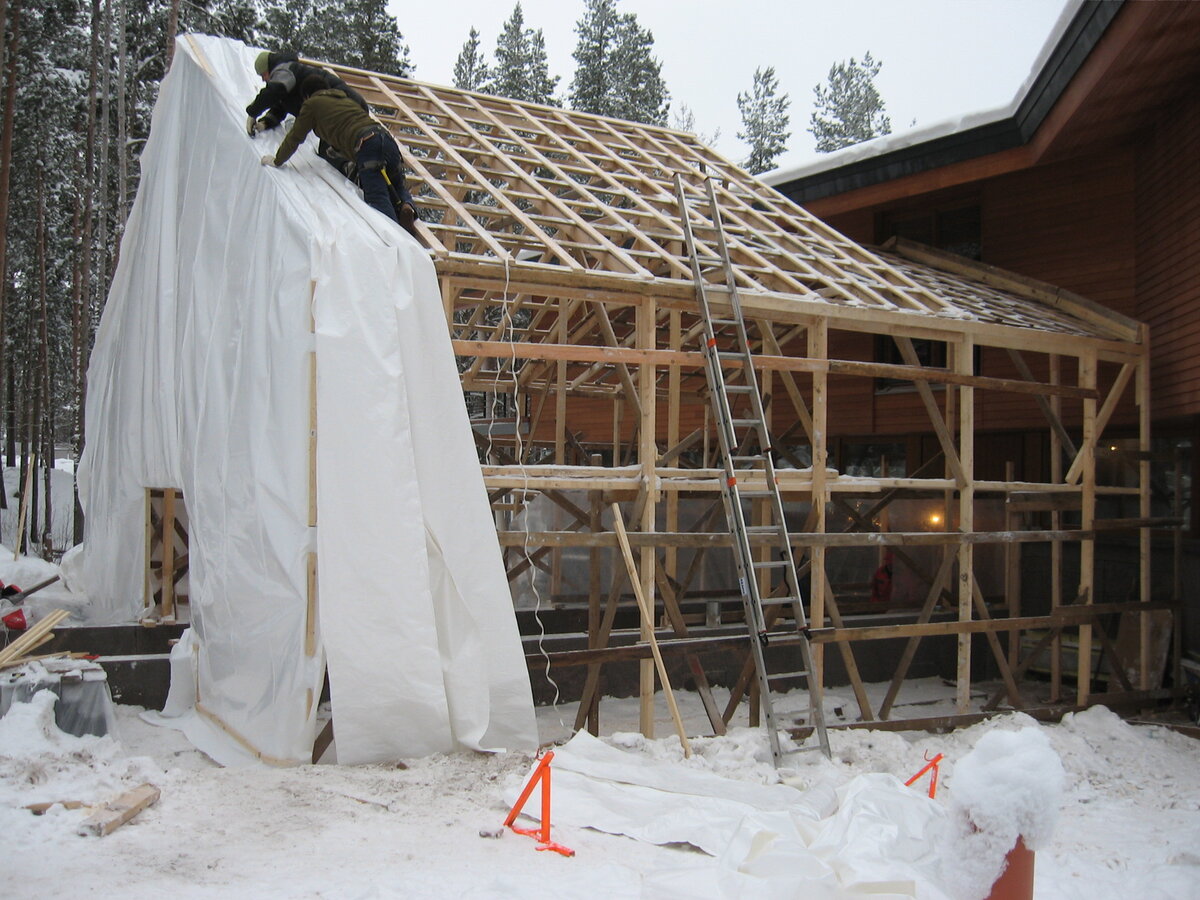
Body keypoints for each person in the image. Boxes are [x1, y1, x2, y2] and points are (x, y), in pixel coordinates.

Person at [261, 75, 419, 236]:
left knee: (377, 196)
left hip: (366, 143)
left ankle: (399, 241)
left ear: (307, 95)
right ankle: (408, 207)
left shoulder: (312, 104)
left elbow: (296, 136)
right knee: (397, 184)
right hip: (387, 140)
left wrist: (278, 159)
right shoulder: (346, 100)